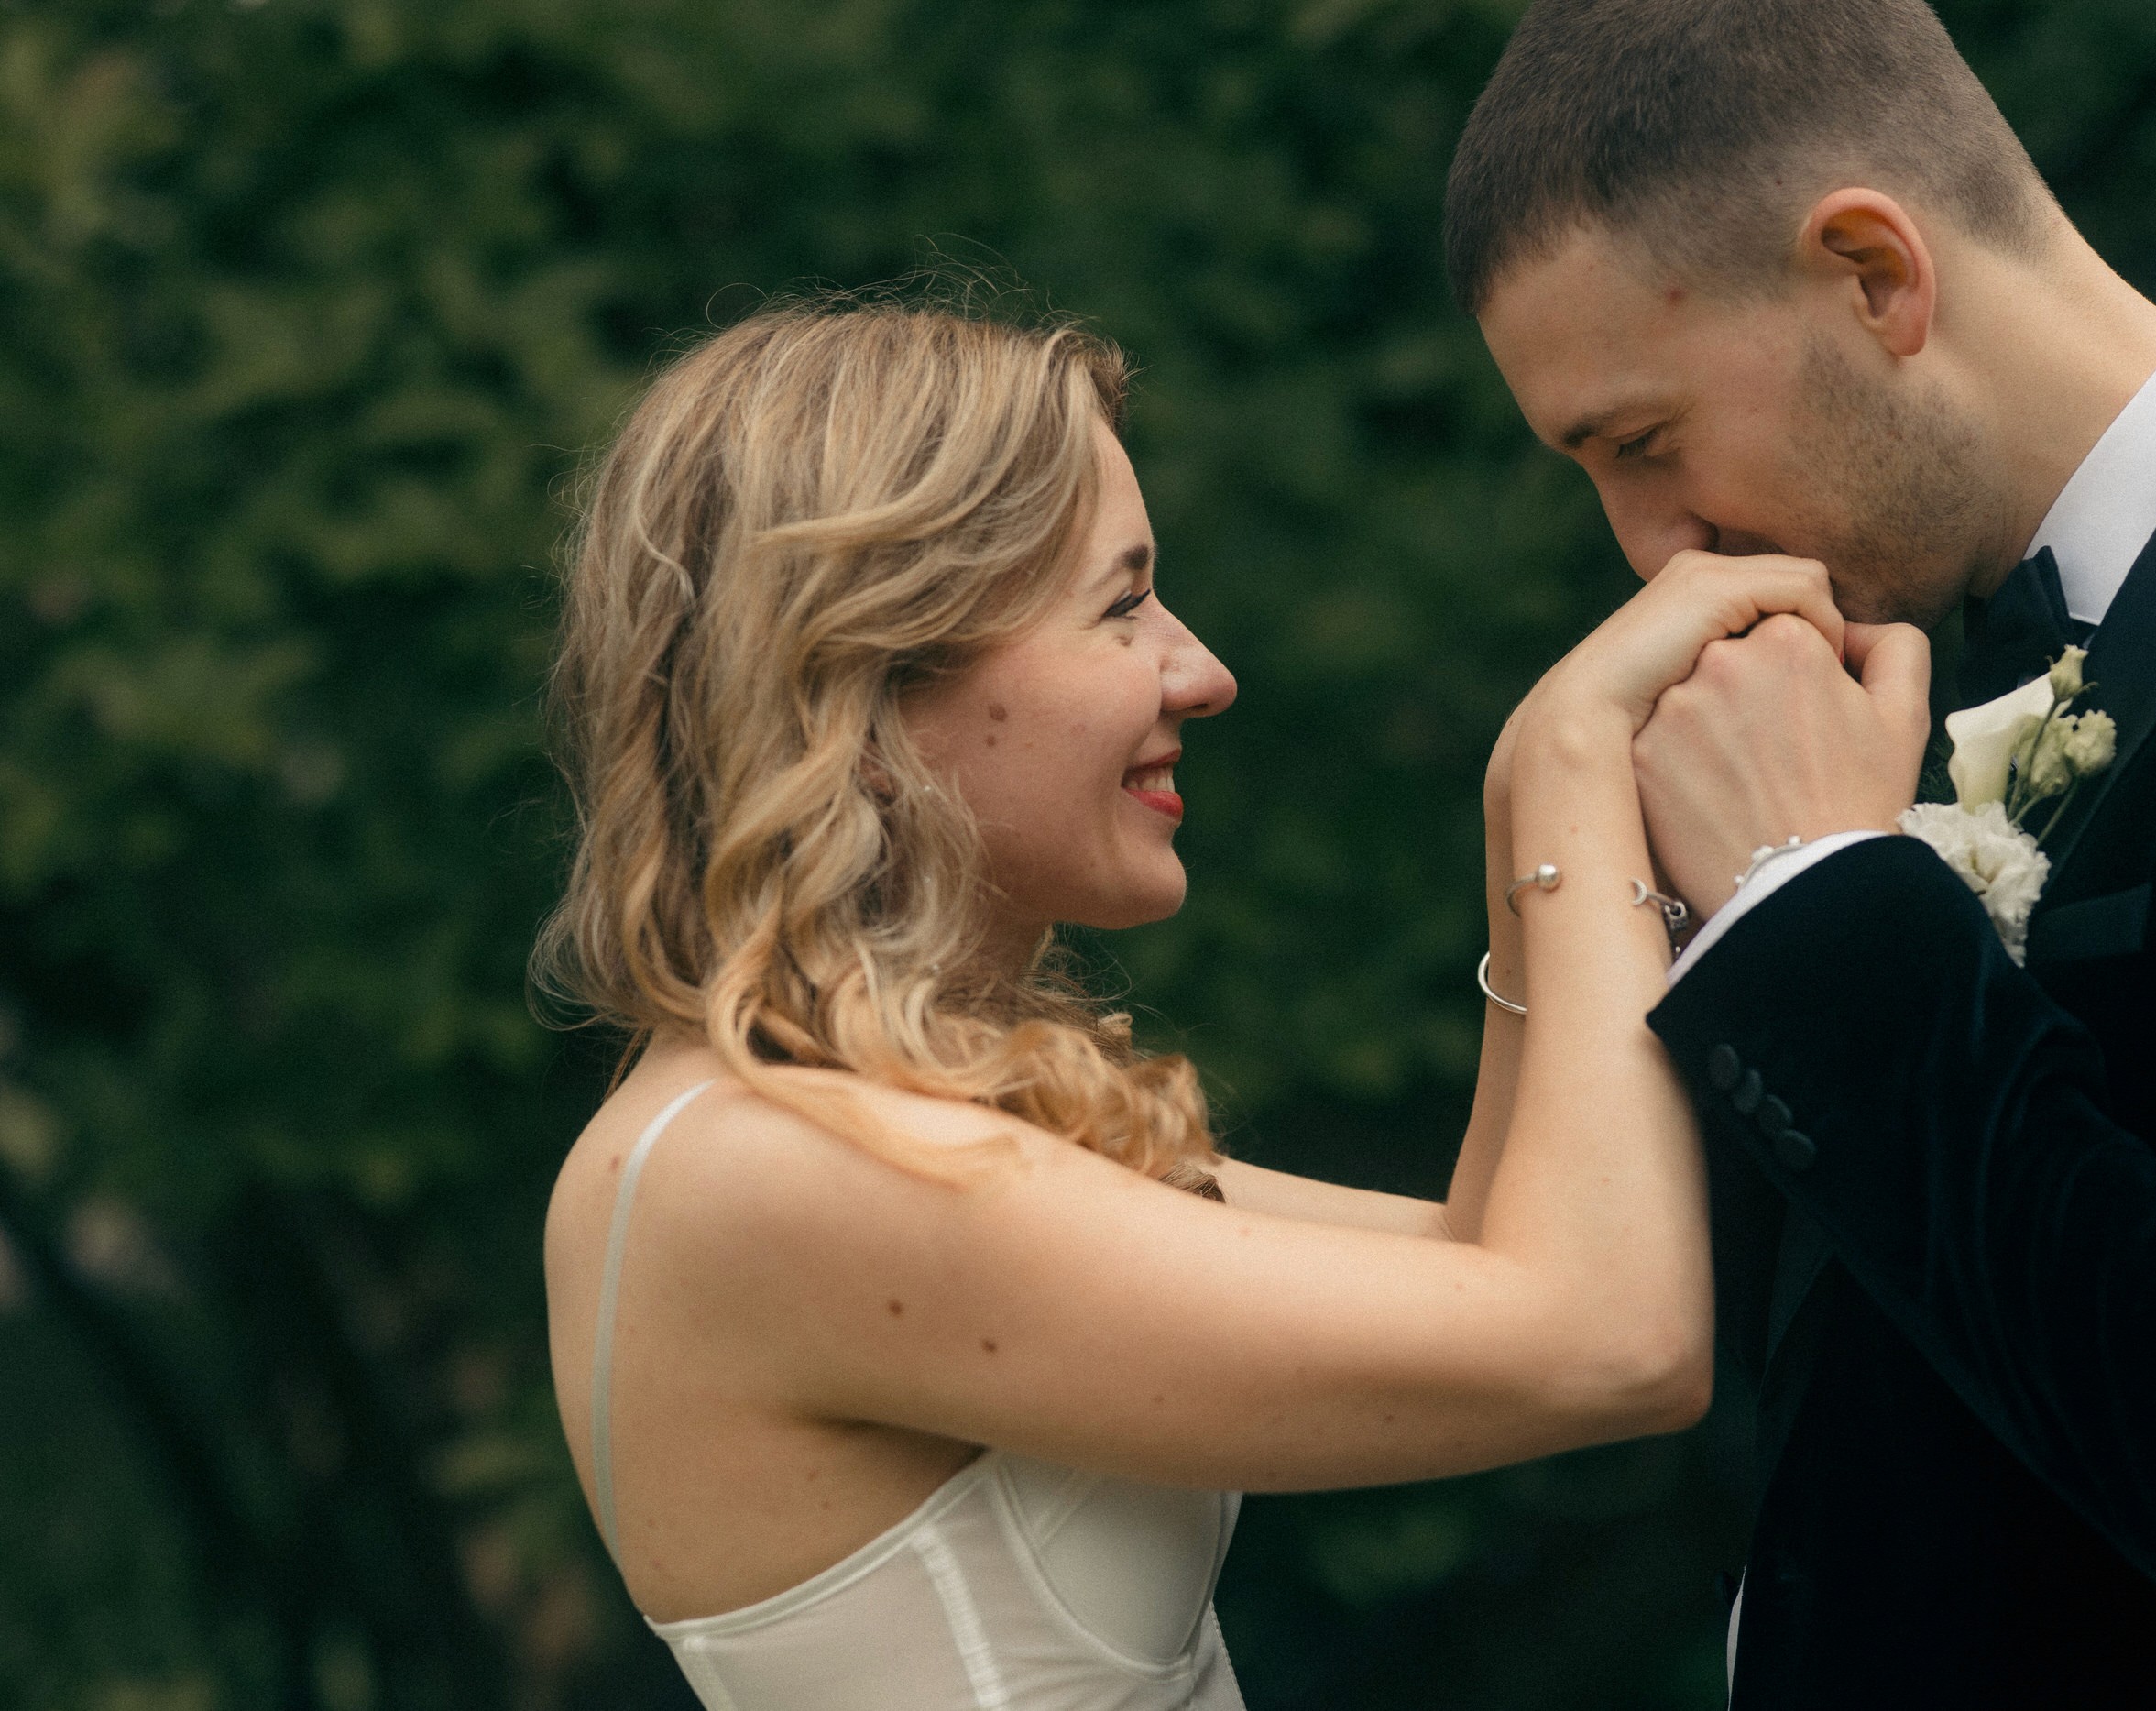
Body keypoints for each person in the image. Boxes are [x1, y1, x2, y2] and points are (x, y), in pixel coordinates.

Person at [1445, 0, 2156, 1705]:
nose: (1646, 546)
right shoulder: (1910, 657)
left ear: (1877, 276)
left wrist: (1827, 902)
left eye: (1645, 443)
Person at [535, 302, 1818, 1709]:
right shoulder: (761, 1171)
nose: (1201, 673)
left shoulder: (875, 1117)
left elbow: (1484, 1253)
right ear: (868, 685)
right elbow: (1608, 1341)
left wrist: (1528, 809)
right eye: (1121, 603)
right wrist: (1579, 754)